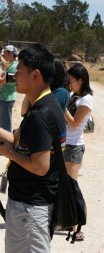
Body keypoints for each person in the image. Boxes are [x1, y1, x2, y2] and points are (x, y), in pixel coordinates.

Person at [0, 44, 66, 252]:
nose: (14, 76)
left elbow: (40, 166)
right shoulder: (45, 106)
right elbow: (17, 139)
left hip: (31, 208)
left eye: (19, 71)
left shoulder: (40, 114)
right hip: (28, 205)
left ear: (35, 75)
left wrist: (10, 154)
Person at [64, 63, 93, 241]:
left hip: (74, 147)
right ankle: (67, 221)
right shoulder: (73, 95)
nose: (70, 83)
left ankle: (76, 228)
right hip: (64, 145)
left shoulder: (86, 100)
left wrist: (62, 107)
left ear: (81, 80)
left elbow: (74, 123)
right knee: (63, 186)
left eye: (72, 80)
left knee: (71, 187)